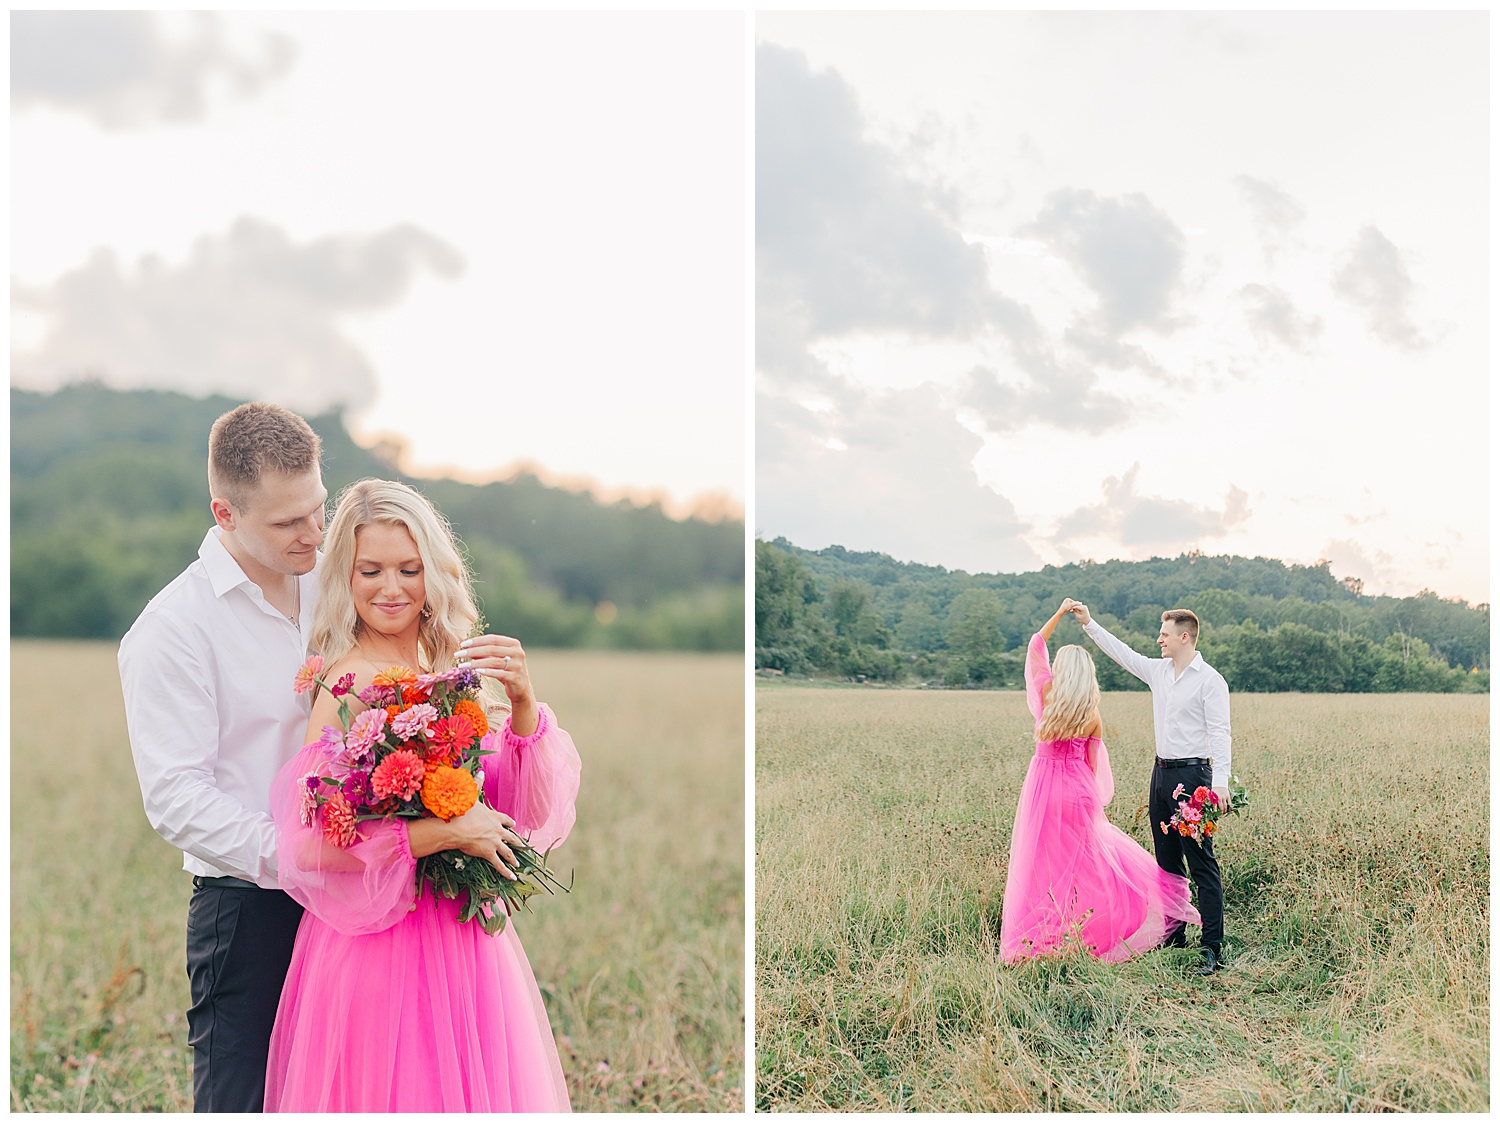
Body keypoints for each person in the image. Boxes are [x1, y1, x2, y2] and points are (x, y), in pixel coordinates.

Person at [263, 478, 580, 1112]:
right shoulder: (346, 682)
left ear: (434, 573)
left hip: (461, 943)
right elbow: (313, 843)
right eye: (370, 570)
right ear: (344, 579)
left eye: (409, 569)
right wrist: (446, 834)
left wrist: (520, 703)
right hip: (377, 942)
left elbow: (520, 812)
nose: (391, 588)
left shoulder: (453, 673)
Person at [119, 402, 330, 1111]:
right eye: (287, 522)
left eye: (318, 508)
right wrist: (303, 856)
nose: (315, 533)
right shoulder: (173, 628)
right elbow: (176, 796)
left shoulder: (338, 581)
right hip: (248, 907)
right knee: (242, 1101)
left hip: (361, 898)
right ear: (225, 513)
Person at [1000, 599, 1200, 964]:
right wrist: (1095, 801)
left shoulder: (1046, 694)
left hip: (1043, 789)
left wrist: (1060, 615)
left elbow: (1034, 648)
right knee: (1088, 863)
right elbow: (1094, 767)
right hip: (1077, 791)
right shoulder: (1091, 714)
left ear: (1061, 671)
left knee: (1042, 863)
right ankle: (1096, 926)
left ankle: (1042, 935)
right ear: (1087, 675)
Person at [1072, 602, 1231, 975]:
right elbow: (1123, 654)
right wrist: (1090, 623)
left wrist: (1220, 784)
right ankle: (1173, 936)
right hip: (1160, 776)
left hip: (1194, 780)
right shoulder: (1159, 672)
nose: (1159, 639)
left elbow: (1221, 734)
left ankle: (1211, 948)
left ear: (1184, 636)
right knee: (1166, 862)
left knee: (1201, 862)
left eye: (1165, 633)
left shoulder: (1210, 680)